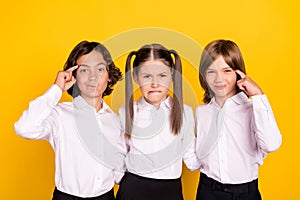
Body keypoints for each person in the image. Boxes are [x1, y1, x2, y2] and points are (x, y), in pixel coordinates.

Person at [14, 41, 126, 200]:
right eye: (84, 70)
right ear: (74, 76)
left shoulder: (115, 120)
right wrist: (56, 89)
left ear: (109, 76)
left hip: (106, 197)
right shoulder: (59, 114)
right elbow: (24, 128)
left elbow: (118, 171)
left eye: (99, 69)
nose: (93, 77)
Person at [195, 39, 282, 200]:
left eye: (226, 71)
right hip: (208, 190)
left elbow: (271, 144)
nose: (218, 79)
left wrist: (258, 96)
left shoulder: (253, 109)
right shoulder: (202, 112)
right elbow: (198, 153)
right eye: (211, 71)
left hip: (245, 192)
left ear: (239, 73)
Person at [116, 44, 200, 200]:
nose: (155, 83)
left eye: (162, 75)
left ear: (172, 76)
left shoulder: (185, 112)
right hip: (133, 189)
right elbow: (119, 152)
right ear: (136, 77)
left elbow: (191, 158)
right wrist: (123, 179)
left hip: (170, 190)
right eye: (147, 76)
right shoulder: (126, 112)